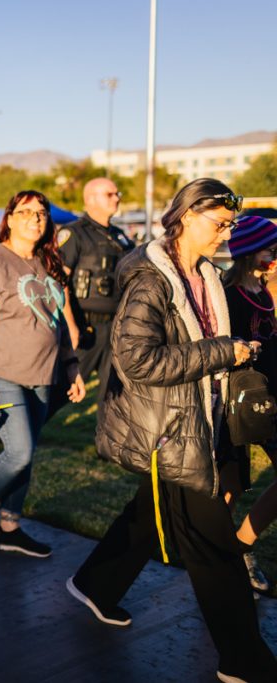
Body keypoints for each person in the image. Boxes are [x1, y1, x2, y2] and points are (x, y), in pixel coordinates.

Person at [66, 179, 277, 682]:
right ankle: (245, 661)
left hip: (197, 421)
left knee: (147, 515)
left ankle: (95, 584)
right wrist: (226, 352)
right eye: (219, 223)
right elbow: (136, 359)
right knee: (214, 549)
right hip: (172, 430)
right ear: (185, 216)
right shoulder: (151, 280)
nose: (226, 234)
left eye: (230, 225)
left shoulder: (203, 272)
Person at [0, 191, 86, 558]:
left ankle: (10, 527)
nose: (35, 218)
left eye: (42, 212)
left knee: (27, 455)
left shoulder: (50, 261)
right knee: (20, 452)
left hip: (46, 374)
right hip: (4, 374)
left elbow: (58, 325)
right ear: (10, 219)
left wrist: (73, 368)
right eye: (26, 212)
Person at [220, 214, 277, 594]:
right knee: (232, 481)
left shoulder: (265, 292)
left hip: (269, 397)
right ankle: (219, 552)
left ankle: (240, 543)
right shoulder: (227, 296)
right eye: (270, 249)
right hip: (235, 401)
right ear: (247, 252)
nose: (274, 256)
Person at [55, 177, 132, 405]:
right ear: (90, 199)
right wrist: (70, 326)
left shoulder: (120, 235)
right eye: (110, 194)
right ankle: (10, 429)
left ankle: (107, 440)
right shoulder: (74, 233)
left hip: (116, 327)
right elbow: (59, 282)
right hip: (84, 327)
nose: (116, 198)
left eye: (117, 193)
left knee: (114, 396)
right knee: (62, 389)